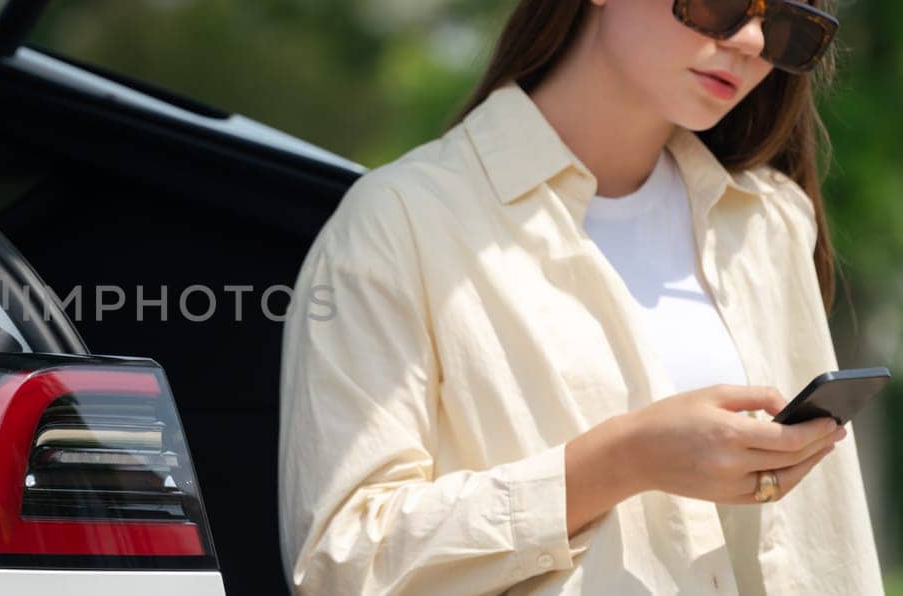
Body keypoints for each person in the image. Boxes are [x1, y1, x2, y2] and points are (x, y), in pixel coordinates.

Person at [277, 0, 880, 594]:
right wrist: (622, 460)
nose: (750, 43)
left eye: (784, 26)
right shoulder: (400, 222)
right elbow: (343, 562)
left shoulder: (769, 220)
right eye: (719, 4)